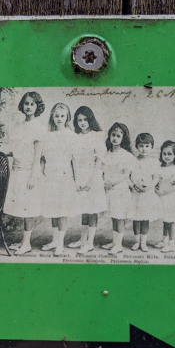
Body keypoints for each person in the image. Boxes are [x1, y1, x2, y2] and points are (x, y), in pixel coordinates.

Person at [1, 92, 45, 255]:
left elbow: (37, 155)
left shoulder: (39, 128)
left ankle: (26, 243)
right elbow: (17, 150)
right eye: (26, 103)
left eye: (32, 104)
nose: (28, 106)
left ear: (37, 107)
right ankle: (22, 241)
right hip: (17, 171)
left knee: (29, 208)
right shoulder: (19, 127)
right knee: (20, 206)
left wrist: (33, 176)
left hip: (29, 173)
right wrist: (4, 153)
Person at [39, 103, 79, 256]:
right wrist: (42, 173)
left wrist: (76, 180)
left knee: (62, 211)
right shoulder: (47, 136)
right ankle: (55, 240)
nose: (59, 119)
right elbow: (42, 158)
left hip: (64, 177)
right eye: (56, 116)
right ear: (52, 117)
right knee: (53, 210)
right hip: (50, 177)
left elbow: (74, 160)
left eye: (62, 116)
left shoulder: (71, 136)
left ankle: (60, 244)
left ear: (67, 117)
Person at [67, 106, 107, 254]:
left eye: (85, 119)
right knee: (83, 208)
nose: (83, 123)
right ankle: (83, 240)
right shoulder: (76, 137)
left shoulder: (97, 136)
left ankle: (90, 242)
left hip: (93, 175)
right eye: (79, 120)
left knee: (92, 210)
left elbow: (99, 160)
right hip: (81, 175)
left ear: (91, 120)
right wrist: (77, 180)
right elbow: (74, 160)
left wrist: (91, 181)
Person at [101, 122, 135, 255]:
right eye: (113, 135)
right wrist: (104, 182)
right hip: (109, 189)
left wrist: (112, 182)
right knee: (113, 216)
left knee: (119, 216)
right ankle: (115, 241)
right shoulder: (107, 154)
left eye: (118, 136)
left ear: (123, 138)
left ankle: (118, 245)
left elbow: (126, 175)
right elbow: (103, 171)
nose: (115, 138)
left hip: (120, 189)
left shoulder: (125, 155)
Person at [130, 133, 161, 252]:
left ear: (151, 147)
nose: (144, 149)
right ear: (137, 147)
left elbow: (156, 178)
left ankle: (143, 243)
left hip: (147, 194)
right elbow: (130, 176)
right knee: (136, 218)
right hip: (136, 193)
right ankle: (137, 242)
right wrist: (134, 185)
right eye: (141, 146)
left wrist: (148, 187)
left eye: (147, 146)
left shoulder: (153, 162)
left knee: (145, 219)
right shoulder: (133, 161)